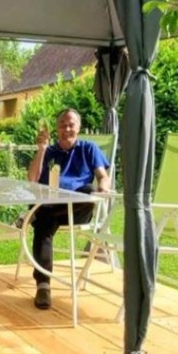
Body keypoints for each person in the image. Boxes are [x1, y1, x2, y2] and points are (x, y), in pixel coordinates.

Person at [26, 108, 110, 309]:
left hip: (77, 210)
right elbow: (32, 179)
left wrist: (103, 188)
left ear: (78, 127)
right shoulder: (49, 151)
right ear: (57, 129)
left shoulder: (88, 148)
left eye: (71, 124)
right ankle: (43, 286)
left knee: (89, 191)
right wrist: (41, 150)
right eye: (62, 125)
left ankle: (33, 214)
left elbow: (103, 176)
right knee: (44, 223)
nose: (67, 129)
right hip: (52, 208)